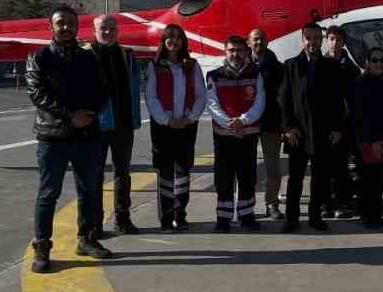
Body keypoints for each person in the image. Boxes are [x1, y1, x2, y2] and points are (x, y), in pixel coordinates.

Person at [26, 6, 111, 271]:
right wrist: (69, 116)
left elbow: (103, 89)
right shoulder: (39, 58)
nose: (65, 28)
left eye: (70, 23)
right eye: (60, 23)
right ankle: (42, 246)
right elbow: (37, 94)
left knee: (90, 191)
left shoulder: (90, 58)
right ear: (50, 27)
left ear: (77, 27)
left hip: (87, 134)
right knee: (48, 193)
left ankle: (86, 238)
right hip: (53, 137)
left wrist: (90, 113)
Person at [279, 22, 347, 232]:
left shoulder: (331, 66)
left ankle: (315, 216)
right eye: (309, 38)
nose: (313, 42)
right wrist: (288, 128)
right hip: (298, 133)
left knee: (321, 178)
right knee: (296, 178)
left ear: (322, 40)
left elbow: (337, 100)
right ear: (302, 39)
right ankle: (292, 218)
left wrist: (337, 128)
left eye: (317, 38)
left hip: (322, 131)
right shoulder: (290, 65)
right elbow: (283, 99)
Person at [144, 24, 207, 230]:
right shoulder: (155, 67)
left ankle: (180, 214)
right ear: (163, 41)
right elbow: (151, 97)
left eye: (178, 37)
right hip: (164, 126)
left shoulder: (192, 65)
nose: (174, 41)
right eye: (169, 37)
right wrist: (166, 120)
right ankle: (165, 216)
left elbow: (200, 95)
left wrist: (191, 118)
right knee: (165, 172)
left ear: (183, 41)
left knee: (183, 171)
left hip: (187, 126)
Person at [89, 14, 142, 237]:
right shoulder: (85, 55)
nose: (108, 32)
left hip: (123, 124)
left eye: (112, 28)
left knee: (123, 174)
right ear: (95, 31)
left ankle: (123, 218)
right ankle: (95, 223)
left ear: (117, 30)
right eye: (103, 28)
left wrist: (134, 118)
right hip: (96, 127)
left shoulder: (127, 55)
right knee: (95, 176)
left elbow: (135, 85)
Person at [206, 34, 266, 230]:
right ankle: (223, 219)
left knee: (247, 176)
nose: (236, 54)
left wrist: (243, 120)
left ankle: (246, 216)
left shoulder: (256, 74)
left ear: (246, 52)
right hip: (224, 136)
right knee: (223, 177)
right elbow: (212, 105)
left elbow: (260, 101)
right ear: (225, 51)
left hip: (248, 135)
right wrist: (230, 124)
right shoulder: (214, 76)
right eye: (231, 50)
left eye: (239, 50)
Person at [350, 47, 383, 226]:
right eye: (375, 60)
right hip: (369, 140)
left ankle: (374, 215)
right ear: (367, 63)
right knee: (369, 180)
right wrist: (372, 141)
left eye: (382, 60)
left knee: (379, 180)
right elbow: (361, 116)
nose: (379, 63)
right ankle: (369, 217)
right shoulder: (361, 83)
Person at [323, 24, 361, 217]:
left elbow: (354, 99)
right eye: (331, 39)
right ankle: (325, 204)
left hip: (345, 125)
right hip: (325, 125)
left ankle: (342, 203)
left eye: (338, 39)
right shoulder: (320, 65)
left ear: (343, 42)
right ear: (326, 40)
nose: (335, 42)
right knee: (324, 167)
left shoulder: (351, 69)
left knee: (341, 167)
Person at [248, 27, 284, 218]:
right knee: (247, 168)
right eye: (255, 39)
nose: (258, 42)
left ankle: (272, 204)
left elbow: (283, 97)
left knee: (273, 168)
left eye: (262, 39)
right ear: (249, 43)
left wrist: (284, 124)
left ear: (268, 41)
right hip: (248, 124)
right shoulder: (242, 66)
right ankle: (247, 205)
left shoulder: (277, 67)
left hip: (270, 124)